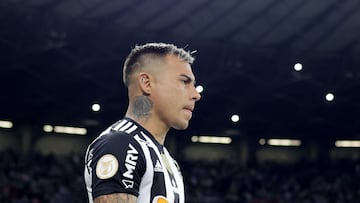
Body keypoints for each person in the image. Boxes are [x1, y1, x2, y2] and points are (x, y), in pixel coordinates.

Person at [84, 42, 201, 203]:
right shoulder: (122, 144)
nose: (196, 94)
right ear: (146, 83)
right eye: (184, 81)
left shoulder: (166, 158)